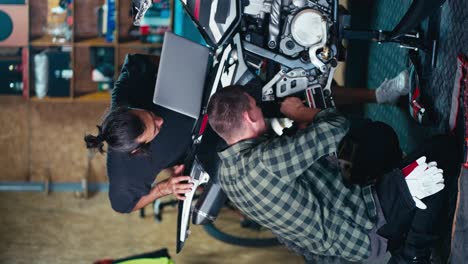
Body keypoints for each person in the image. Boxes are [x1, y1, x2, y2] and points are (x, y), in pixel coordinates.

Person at [206, 85, 460, 263]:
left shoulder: (228, 175)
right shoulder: (265, 162)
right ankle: (412, 253)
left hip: (341, 241)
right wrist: (301, 113)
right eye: (256, 106)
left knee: (377, 137)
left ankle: (402, 207)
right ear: (250, 115)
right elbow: (336, 127)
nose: (260, 109)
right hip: (369, 221)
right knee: (441, 153)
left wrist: (296, 135)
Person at [84, 54, 194, 213]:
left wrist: (175, 69)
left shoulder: (126, 91)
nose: (160, 121)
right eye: (156, 129)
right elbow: (122, 206)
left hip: (197, 90)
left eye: (150, 114)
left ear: (129, 109)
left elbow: (143, 60)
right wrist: (163, 188)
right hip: (202, 143)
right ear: (136, 150)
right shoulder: (124, 170)